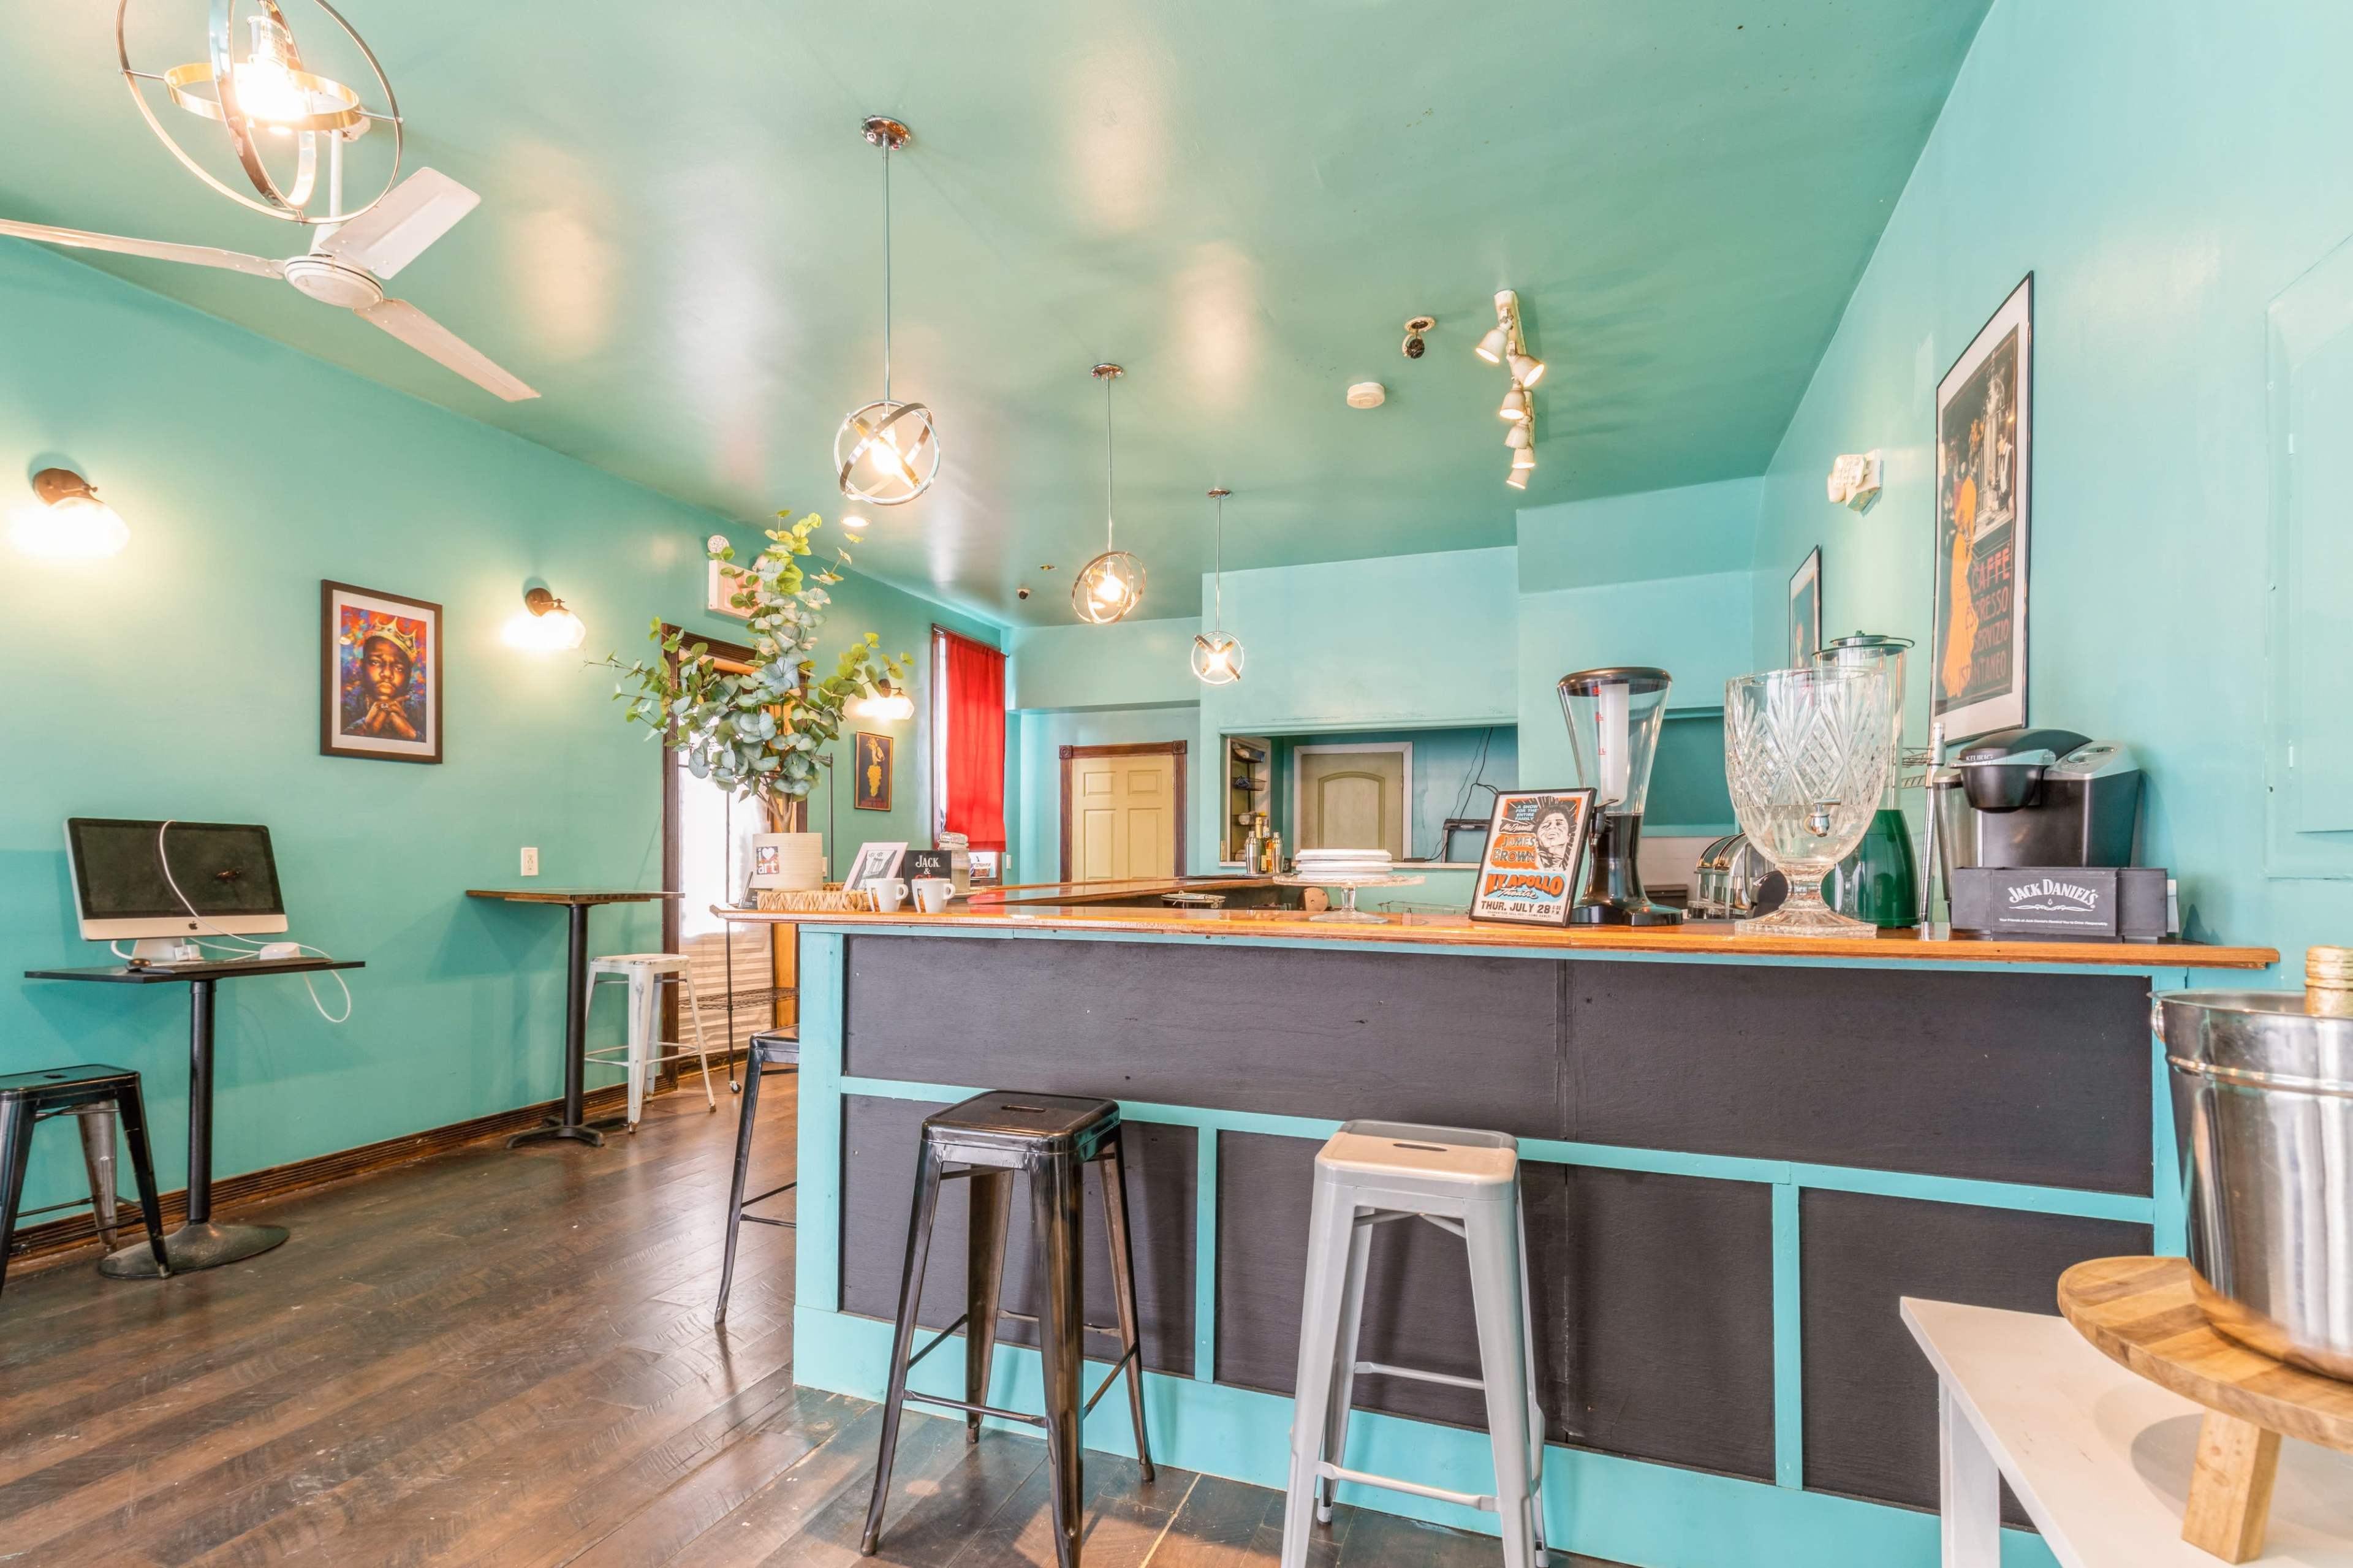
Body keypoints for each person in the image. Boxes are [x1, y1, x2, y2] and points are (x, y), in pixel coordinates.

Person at [344, 619, 422, 741]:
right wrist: (367, 726)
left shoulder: (421, 711)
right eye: (376, 662)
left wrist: (411, 734)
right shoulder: (345, 707)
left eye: (398, 668)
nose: (387, 673)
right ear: (362, 666)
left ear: (409, 675)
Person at [1531, 801, 1578, 872]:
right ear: (1536, 837)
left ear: (1568, 837)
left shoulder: (1572, 870)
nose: (1552, 827)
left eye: (1559, 824)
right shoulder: (1524, 868)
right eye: (1546, 825)